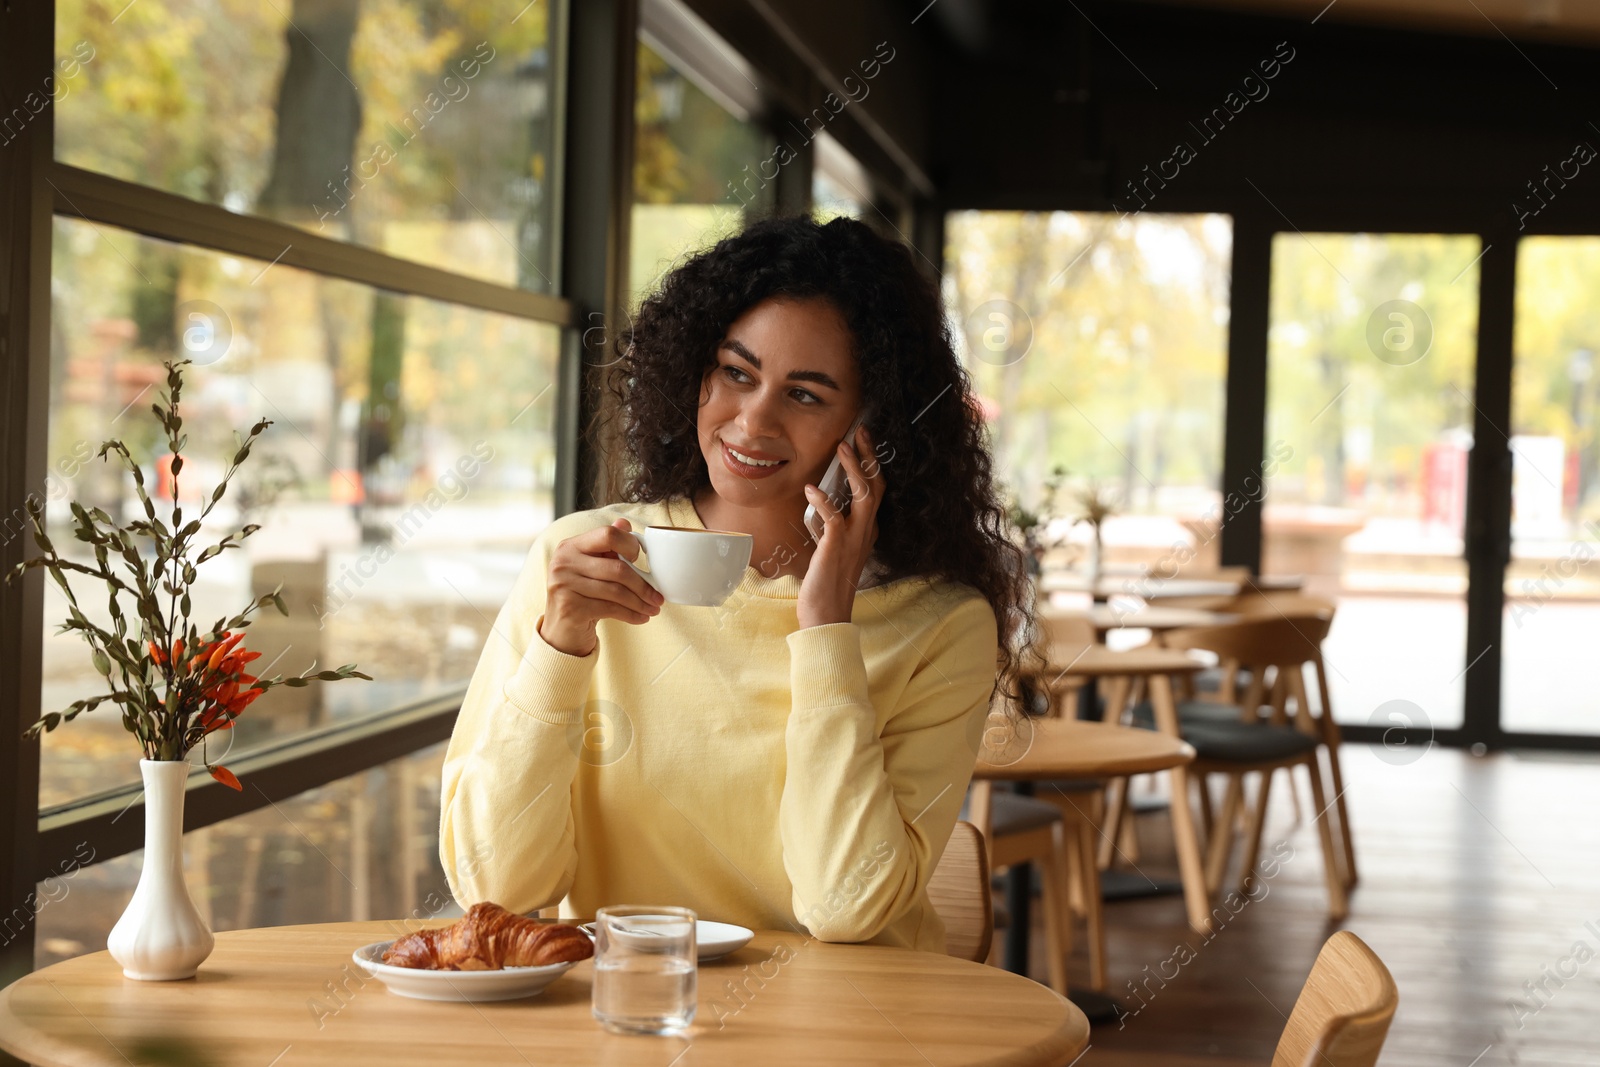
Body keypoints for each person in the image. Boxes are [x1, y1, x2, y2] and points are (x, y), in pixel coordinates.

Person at [439, 214, 1033, 953]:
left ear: (873, 426)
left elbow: (845, 905)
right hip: (629, 1013)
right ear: (695, 367)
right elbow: (496, 887)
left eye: (806, 394)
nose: (752, 420)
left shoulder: (943, 623)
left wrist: (824, 630)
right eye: (736, 372)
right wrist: (561, 648)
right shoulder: (582, 561)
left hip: (847, 1032)